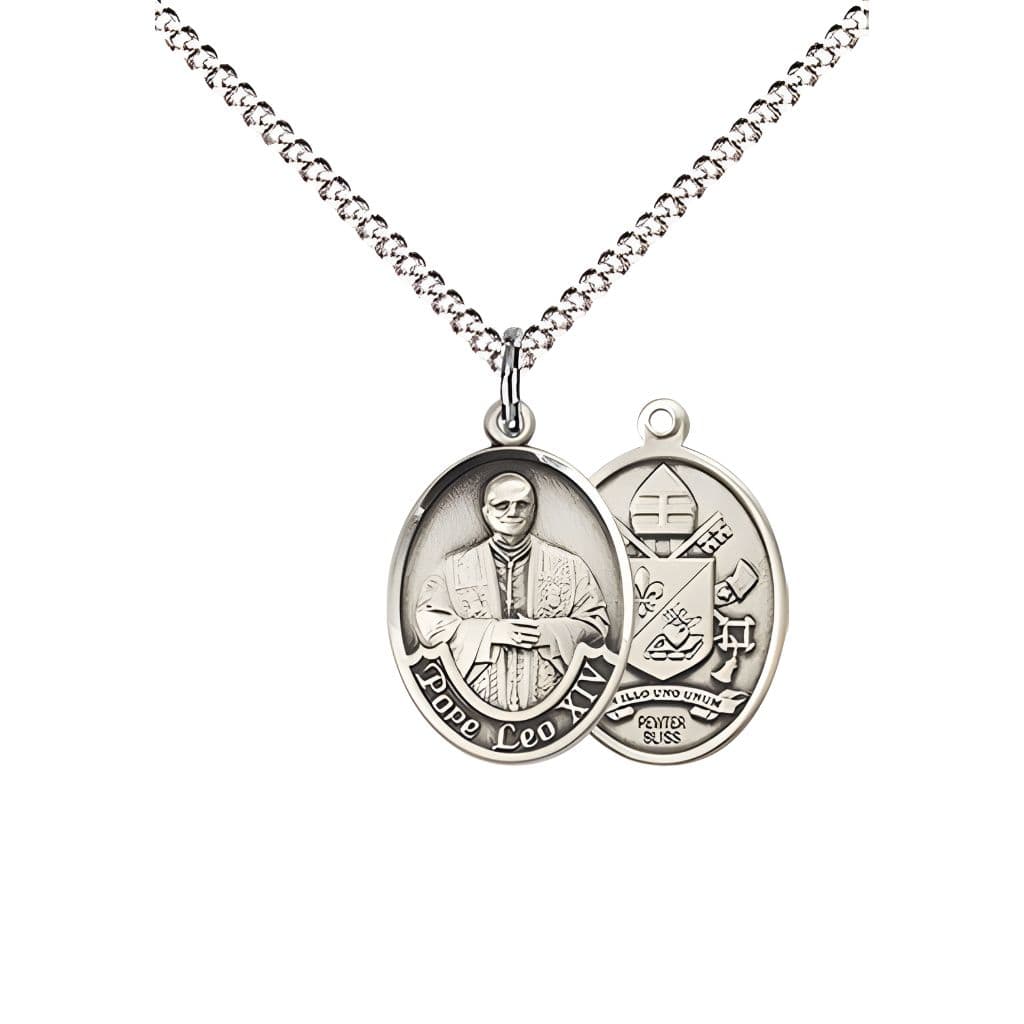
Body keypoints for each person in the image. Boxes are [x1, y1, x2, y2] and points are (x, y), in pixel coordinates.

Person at [415, 472, 609, 711]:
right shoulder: (453, 568)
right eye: (501, 505)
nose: (513, 512)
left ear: (533, 509)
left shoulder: (570, 566)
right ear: (486, 511)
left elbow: (597, 625)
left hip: (554, 699)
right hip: (476, 700)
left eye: (522, 504)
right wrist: (492, 632)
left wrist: (548, 633)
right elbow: (430, 622)